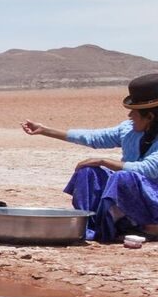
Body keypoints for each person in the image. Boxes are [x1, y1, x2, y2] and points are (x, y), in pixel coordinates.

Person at [21, 73, 158, 245]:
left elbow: (148, 169)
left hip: (154, 200)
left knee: (123, 177)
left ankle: (150, 228)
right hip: (135, 196)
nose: (129, 115)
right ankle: (97, 225)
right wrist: (45, 130)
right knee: (88, 172)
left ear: (150, 117)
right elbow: (94, 138)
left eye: (134, 112)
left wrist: (103, 161)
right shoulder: (129, 130)